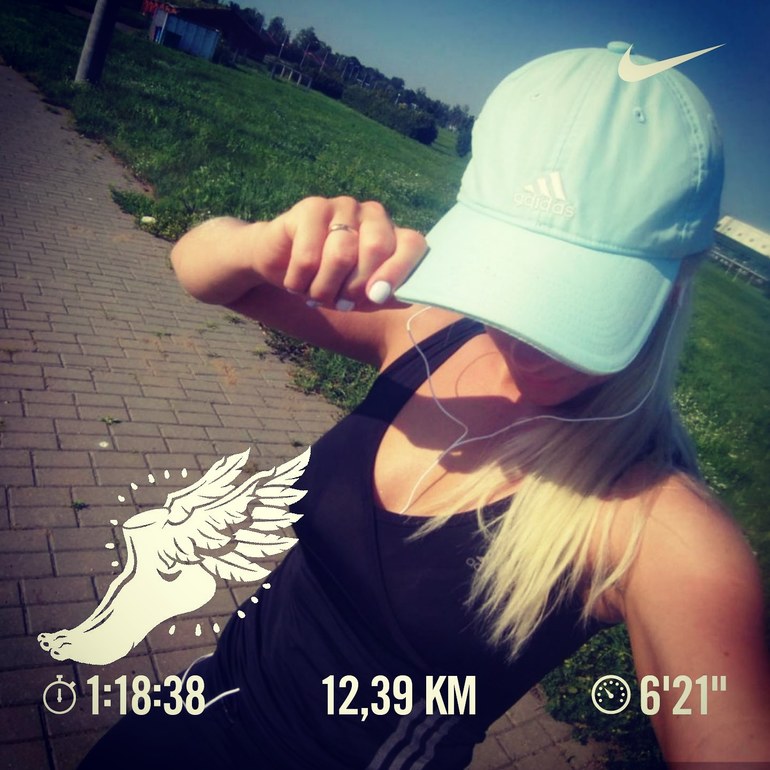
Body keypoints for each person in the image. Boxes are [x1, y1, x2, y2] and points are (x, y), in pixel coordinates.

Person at [80, 43, 769, 769]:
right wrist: (265, 244)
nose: (526, 334)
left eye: (577, 293)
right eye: (513, 269)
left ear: (678, 282)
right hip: (185, 717)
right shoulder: (430, 332)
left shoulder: (658, 526)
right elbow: (199, 268)